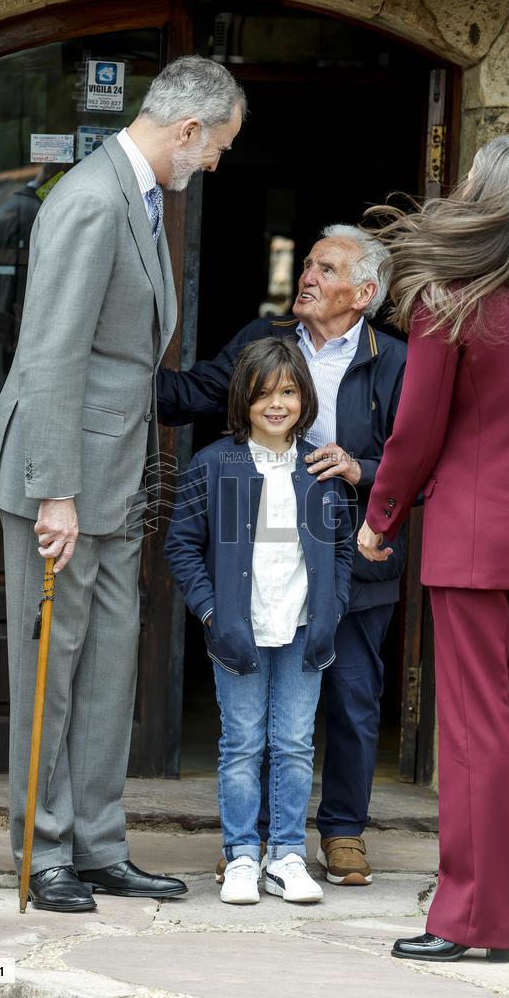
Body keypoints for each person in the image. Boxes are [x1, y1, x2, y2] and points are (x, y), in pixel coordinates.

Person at [0, 56, 246, 912]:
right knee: (52, 668)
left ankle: (97, 845)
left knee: (108, 664)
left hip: (118, 477)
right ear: (189, 128)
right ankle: (44, 850)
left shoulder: (142, 194)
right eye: (219, 146)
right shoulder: (92, 198)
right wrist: (55, 490)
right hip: (67, 480)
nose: (216, 162)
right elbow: (51, 350)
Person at [357, 135, 509, 962]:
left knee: (474, 730)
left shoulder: (447, 300)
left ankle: (471, 922)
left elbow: (414, 433)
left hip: (467, 537)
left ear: (486, 203)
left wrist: (381, 515)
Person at [159, 225, 407, 886]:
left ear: (363, 293)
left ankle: (343, 832)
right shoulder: (263, 340)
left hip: (355, 551)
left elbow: (419, 459)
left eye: (325, 269)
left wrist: (361, 469)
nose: (308, 277)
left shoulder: (395, 360)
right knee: (254, 720)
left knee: (351, 698)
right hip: (264, 558)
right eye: (308, 265)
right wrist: (119, 374)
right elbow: (197, 394)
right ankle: (254, 841)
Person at [164, 338, 353, 904]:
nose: (277, 404)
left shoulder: (320, 468)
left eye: (289, 391)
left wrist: (333, 606)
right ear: (243, 399)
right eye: (263, 392)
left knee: (294, 745)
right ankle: (243, 854)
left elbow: (343, 549)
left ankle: (287, 855)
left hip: (303, 629)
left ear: (305, 399)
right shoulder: (213, 465)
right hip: (237, 631)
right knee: (242, 744)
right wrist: (211, 611)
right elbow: (181, 546)